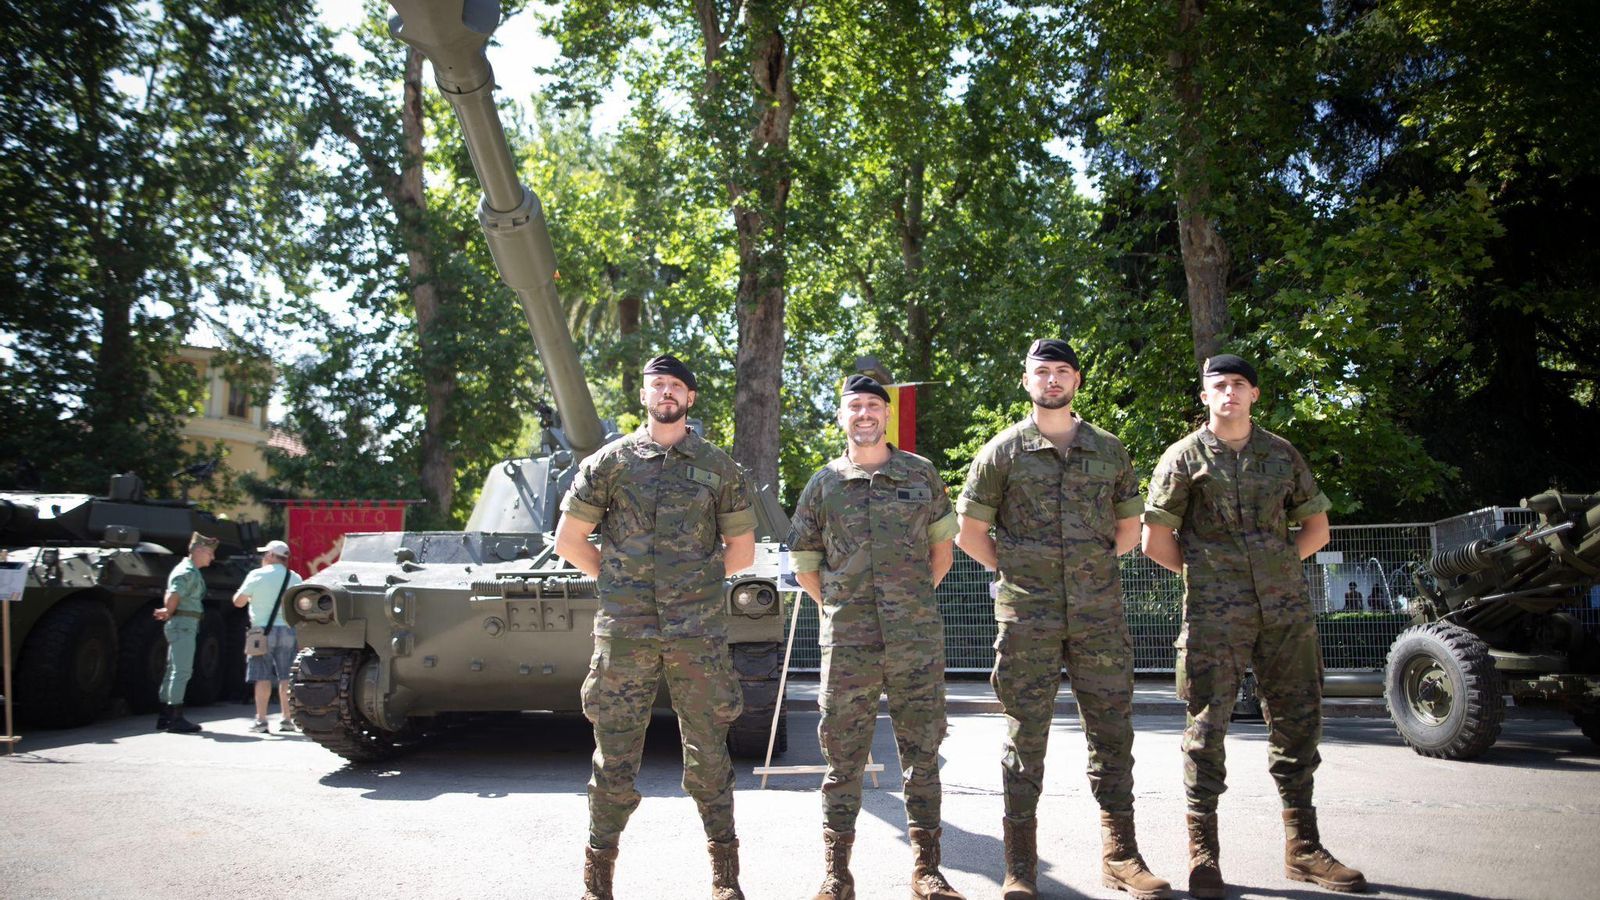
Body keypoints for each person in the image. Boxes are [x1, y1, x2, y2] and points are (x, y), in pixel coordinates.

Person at [1142, 354, 1366, 896]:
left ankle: (1304, 849)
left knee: (1297, 723)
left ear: (1254, 395)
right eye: (1218, 385)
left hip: (1285, 613)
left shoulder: (1281, 454)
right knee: (1205, 731)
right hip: (1215, 617)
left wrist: (1278, 568)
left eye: (1239, 384)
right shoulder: (1183, 458)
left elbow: (1316, 528)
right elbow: (1154, 541)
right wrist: (1212, 574)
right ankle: (1204, 855)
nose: (1229, 393)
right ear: (1204, 396)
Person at [956, 339, 1168, 900]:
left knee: (1113, 732)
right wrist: (1024, 570)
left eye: (1062, 372)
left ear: (1076, 380)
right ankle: (1020, 866)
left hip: (1098, 614)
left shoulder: (1109, 450)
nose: (1052, 380)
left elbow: (1130, 529)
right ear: (1026, 380)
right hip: (1028, 616)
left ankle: (1121, 856)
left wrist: (1088, 568)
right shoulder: (1001, 453)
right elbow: (970, 534)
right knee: (1025, 738)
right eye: (1041, 372)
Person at [554, 354, 757, 900]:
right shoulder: (609, 463)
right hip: (625, 634)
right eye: (656, 385)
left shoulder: (720, 468)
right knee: (614, 757)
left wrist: (689, 584)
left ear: (690, 399)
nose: (666, 393)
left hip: (698, 635)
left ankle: (725, 880)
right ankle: (597, 884)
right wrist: (621, 582)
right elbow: (570, 541)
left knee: (709, 755)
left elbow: (740, 551)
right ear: (643, 395)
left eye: (676, 387)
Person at [788, 375, 965, 900]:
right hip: (847, 645)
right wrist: (845, 608)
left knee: (922, 751)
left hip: (915, 641)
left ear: (885, 414)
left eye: (873, 405)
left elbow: (943, 555)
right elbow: (805, 567)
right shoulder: (822, 484)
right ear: (841, 418)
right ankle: (837, 873)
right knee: (842, 757)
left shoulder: (921, 474)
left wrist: (904, 604)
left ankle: (928, 871)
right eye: (854, 407)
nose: (864, 414)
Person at [232, 539, 302, 733]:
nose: (263, 557)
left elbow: (238, 602)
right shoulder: (294, 578)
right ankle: (287, 719)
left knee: (262, 676)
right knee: (286, 676)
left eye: (265, 554)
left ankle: (261, 721)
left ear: (271, 556)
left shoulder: (256, 575)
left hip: (260, 632)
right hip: (288, 631)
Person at [152, 532, 219, 734]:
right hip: (183, 624)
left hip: (182, 623)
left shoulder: (189, 570)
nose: (212, 557)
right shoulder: (187, 571)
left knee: (173, 670)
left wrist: (169, 611)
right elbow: (173, 593)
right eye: (209, 553)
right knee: (181, 671)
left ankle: (165, 715)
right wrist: (169, 610)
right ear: (198, 550)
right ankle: (175, 718)